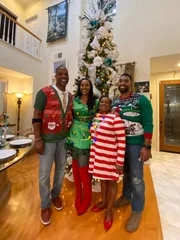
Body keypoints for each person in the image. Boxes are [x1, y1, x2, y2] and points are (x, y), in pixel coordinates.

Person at [112, 73, 153, 233]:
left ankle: (137, 210)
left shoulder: (141, 100)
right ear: (118, 84)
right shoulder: (115, 102)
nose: (123, 83)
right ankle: (126, 196)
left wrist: (147, 146)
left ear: (131, 83)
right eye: (120, 80)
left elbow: (149, 122)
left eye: (126, 80)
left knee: (137, 179)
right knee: (127, 174)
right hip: (120, 145)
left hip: (137, 145)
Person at [32, 66, 73, 226]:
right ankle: (45, 205)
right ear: (55, 76)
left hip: (63, 140)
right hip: (47, 141)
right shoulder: (44, 92)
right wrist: (38, 139)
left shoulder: (70, 96)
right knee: (44, 174)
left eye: (66, 74)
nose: (64, 76)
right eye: (60, 74)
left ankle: (55, 195)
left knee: (61, 170)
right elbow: (36, 116)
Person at [89, 95, 126, 231]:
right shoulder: (96, 117)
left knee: (111, 182)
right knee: (102, 180)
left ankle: (109, 211)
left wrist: (120, 161)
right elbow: (94, 138)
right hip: (99, 156)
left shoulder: (115, 119)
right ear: (99, 105)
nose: (103, 104)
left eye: (106, 102)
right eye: (101, 102)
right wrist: (93, 158)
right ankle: (103, 202)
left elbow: (122, 141)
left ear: (110, 105)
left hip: (111, 157)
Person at [66, 78, 99, 215]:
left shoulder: (96, 101)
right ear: (79, 87)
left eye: (87, 85)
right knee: (75, 165)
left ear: (90, 87)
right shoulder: (74, 99)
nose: (84, 87)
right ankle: (78, 195)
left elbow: (103, 113)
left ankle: (88, 198)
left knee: (84, 168)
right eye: (82, 85)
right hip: (74, 133)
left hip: (87, 135)